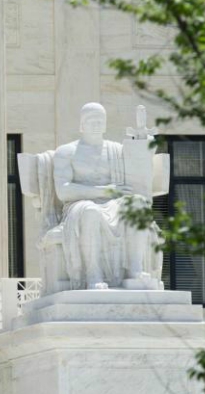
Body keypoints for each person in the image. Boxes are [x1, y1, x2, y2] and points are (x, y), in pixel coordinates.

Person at [52, 102, 162, 289]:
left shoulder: (117, 150)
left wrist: (144, 142)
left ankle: (134, 271)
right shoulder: (67, 152)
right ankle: (93, 274)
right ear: (82, 125)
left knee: (139, 205)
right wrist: (102, 191)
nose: (96, 125)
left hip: (114, 203)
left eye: (100, 121)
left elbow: (140, 169)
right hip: (79, 205)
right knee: (90, 211)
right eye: (91, 121)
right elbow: (63, 190)